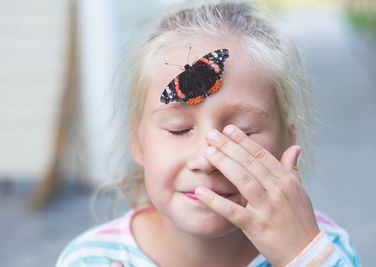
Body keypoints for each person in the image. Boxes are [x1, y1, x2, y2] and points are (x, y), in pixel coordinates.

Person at [56, 1, 361, 266]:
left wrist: (302, 255)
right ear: (138, 144)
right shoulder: (90, 258)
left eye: (240, 131)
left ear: (286, 145)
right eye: (179, 129)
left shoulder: (320, 247)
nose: (208, 159)